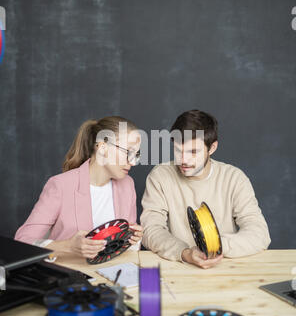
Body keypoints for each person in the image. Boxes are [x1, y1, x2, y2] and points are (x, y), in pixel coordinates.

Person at [141, 110, 271, 269]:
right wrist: (185, 253)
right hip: (178, 269)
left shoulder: (234, 178)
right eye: (178, 150)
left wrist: (214, 246)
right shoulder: (160, 176)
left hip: (225, 269)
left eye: (193, 152)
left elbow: (260, 234)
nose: (183, 160)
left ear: (212, 148)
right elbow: (150, 230)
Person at [15, 116, 143, 260]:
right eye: (128, 152)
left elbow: (122, 244)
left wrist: (132, 239)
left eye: (136, 155)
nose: (132, 162)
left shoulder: (127, 184)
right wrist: (69, 246)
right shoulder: (60, 185)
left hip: (110, 271)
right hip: (69, 274)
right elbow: (22, 242)